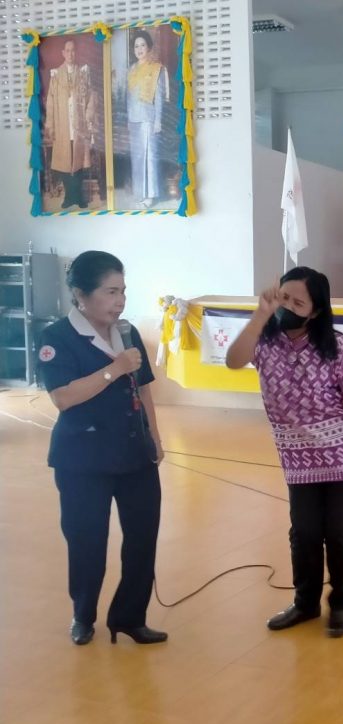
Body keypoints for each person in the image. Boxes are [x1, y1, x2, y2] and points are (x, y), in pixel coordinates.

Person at [226, 267, 343, 638]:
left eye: (297, 302)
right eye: (283, 297)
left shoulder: (335, 345)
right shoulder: (265, 340)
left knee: (338, 532)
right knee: (304, 532)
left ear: (315, 311)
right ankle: (305, 603)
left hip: (342, 452)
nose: (287, 306)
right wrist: (259, 315)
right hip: (298, 454)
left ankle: (340, 603)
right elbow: (233, 360)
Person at [38, 251, 166, 646]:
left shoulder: (127, 332)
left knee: (142, 538)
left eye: (123, 291)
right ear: (81, 294)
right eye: (110, 292)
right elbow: (63, 397)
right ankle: (83, 615)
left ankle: (130, 617)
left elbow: (143, 387)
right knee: (87, 542)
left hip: (135, 453)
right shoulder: (56, 338)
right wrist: (114, 369)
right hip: (83, 460)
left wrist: (154, 436)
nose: (120, 301)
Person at [44, 38, 98, 209]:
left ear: (76, 52)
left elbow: (91, 97)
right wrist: (50, 125)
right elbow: (50, 102)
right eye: (67, 50)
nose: (70, 53)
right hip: (62, 125)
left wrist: (88, 117)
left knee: (79, 159)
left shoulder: (83, 73)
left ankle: (79, 197)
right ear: (63, 53)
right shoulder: (55, 75)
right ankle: (69, 197)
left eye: (73, 50)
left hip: (79, 124)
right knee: (65, 161)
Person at [126, 31, 168, 209]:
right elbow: (128, 98)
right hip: (134, 120)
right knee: (137, 158)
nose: (139, 49)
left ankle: (150, 195)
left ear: (149, 47)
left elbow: (159, 98)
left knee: (150, 157)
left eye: (142, 45)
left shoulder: (156, 69)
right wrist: (128, 120)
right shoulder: (131, 70)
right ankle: (140, 193)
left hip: (149, 119)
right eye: (136, 46)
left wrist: (158, 121)